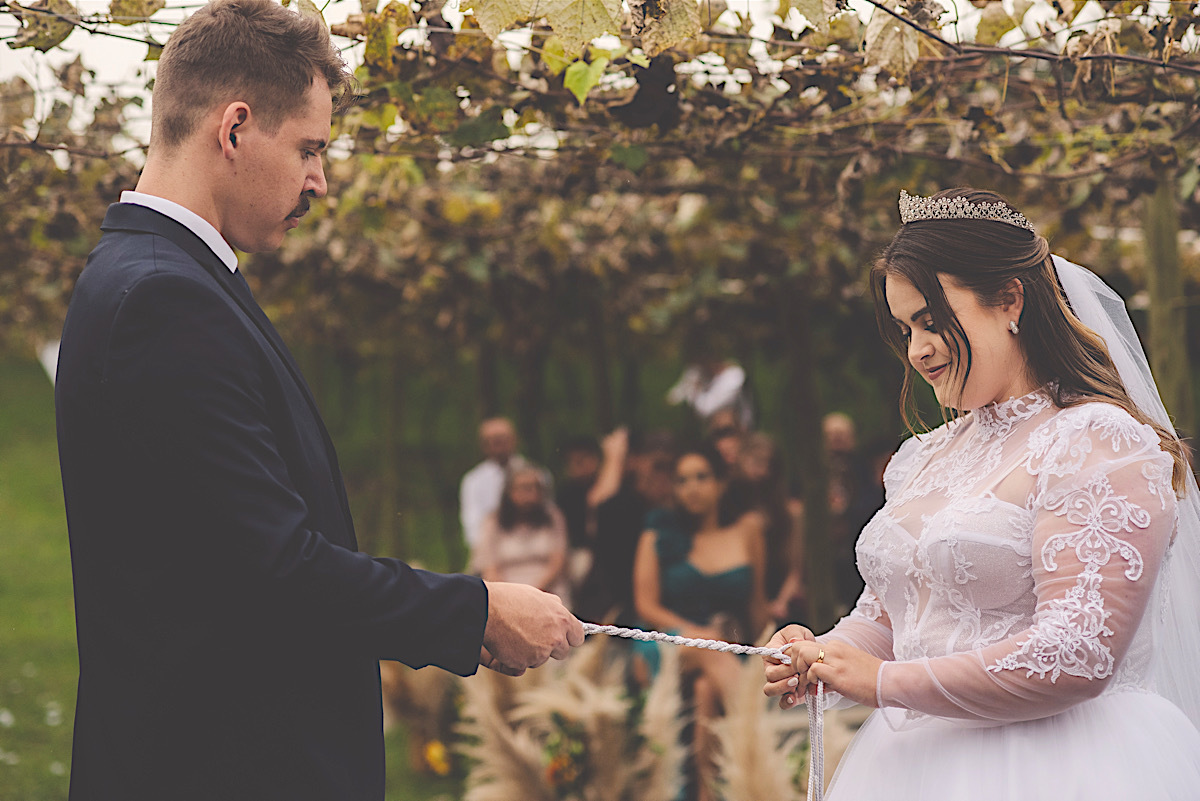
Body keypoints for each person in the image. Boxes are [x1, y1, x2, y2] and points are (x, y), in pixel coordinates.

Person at [54, 3, 583, 799]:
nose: (320, 182)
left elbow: (222, 555)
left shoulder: (152, 277)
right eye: (309, 149)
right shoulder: (165, 300)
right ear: (235, 128)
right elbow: (274, 570)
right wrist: (474, 611)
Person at [762, 188, 1200, 799]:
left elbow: (1077, 652)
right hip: (910, 769)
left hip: (1061, 764)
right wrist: (824, 655)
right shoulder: (922, 457)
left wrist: (882, 682)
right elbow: (891, 618)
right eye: (906, 329)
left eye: (931, 321)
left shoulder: (1095, 439)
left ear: (1010, 300)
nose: (917, 350)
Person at [633, 444, 767, 801]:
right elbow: (646, 605)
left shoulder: (747, 531)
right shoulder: (657, 534)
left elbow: (756, 605)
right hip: (665, 640)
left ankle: (706, 794)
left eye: (701, 477)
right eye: (682, 480)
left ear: (720, 483)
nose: (691, 488)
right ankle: (763, 747)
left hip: (726, 646)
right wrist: (696, 634)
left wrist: (766, 652)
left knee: (707, 689)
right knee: (712, 652)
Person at [475, 460, 571, 603]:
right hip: (507, 594)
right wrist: (516, 598)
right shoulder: (493, 522)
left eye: (536, 488)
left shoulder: (553, 517)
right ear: (509, 492)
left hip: (549, 593)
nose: (531, 495)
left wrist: (534, 594)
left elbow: (558, 563)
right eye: (525, 488)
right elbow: (490, 569)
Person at [460, 416, 522, 551]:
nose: (498, 444)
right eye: (492, 440)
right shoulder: (473, 480)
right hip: (490, 548)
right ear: (484, 445)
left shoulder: (536, 474)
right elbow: (472, 522)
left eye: (502, 438)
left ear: (514, 440)